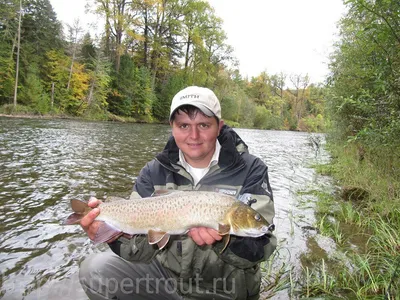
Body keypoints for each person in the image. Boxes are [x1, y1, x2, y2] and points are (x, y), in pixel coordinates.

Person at [78, 86, 277, 300]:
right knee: (96, 270)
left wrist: (224, 241)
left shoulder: (251, 169)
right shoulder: (153, 171)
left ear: (219, 126)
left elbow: (263, 247)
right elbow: (137, 251)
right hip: (166, 280)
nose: (194, 135)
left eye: (203, 125)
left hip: (224, 290)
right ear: (172, 127)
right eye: (183, 125)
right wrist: (111, 233)